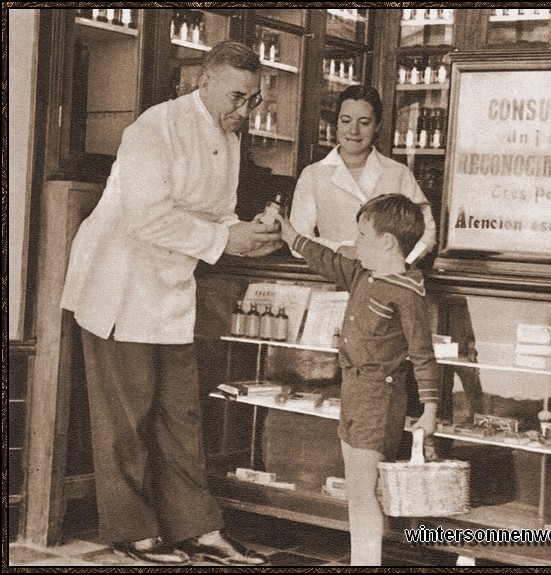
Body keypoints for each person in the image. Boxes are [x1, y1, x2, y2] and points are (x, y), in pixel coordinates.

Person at [60, 40, 283, 566]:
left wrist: (247, 231)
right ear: (202, 82)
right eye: (236, 97)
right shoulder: (151, 131)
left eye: (252, 100)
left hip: (171, 289)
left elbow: (218, 214)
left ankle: (198, 528)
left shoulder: (229, 140)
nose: (244, 111)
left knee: (182, 413)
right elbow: (148, 218)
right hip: (120, 284)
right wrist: (223, 241)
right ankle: (133, 532)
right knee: (128, 417)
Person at [276, 194, 440, 566]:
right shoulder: (363, 273)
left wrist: (430, 411)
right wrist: (289, 233)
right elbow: (326, 258)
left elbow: (423, 356)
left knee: (364, 493)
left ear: (387, 242)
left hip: (379, 400)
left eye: (363, 234)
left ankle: (366, 562)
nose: (355, 242)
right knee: (358, 489)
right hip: (352, 392)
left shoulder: (407, 292)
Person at [289, 85, 436, 264]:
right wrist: (339, 250)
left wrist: (402, 265)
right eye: (345, 121)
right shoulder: (314, 174)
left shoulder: (398, 173)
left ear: (377, 125)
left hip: (386, 279)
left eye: (364, 122)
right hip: (331, 275)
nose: (354, 131)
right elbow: (297, 238)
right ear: (336, 123)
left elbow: (426, 232)